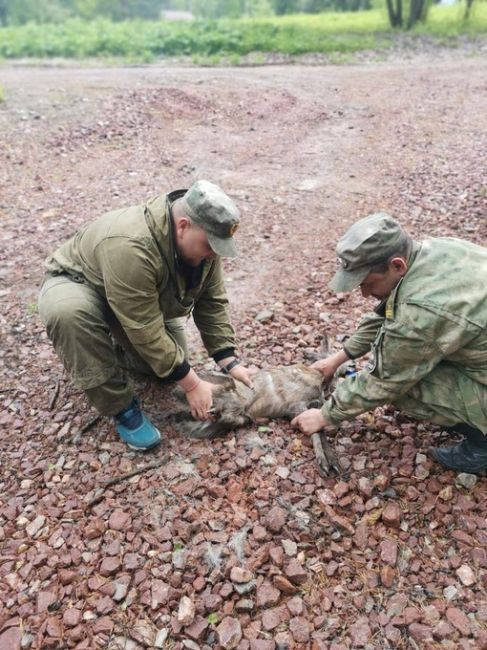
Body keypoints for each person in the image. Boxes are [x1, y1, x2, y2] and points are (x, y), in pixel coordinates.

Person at [38, 180, 254, 451]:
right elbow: (144, 328)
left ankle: (108, 348)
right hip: (81, 285)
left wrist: (228, 360)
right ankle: (122, 408)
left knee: (165, 371)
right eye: (210, 245)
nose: (213, 254)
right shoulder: (132, 245)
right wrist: (192, 384)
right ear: (184, 225)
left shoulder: (205, 243)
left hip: (132, 298)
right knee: (69, 315)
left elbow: (212, 301)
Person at [292, 212, 487, 474]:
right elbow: (388, 313)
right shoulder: (435, 250)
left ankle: (481, 444)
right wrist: (339, 357)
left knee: (406, 389)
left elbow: (384, 381)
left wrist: (325, 415)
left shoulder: (419, 313)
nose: (363, 294)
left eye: (367, 283)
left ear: (397, 265)